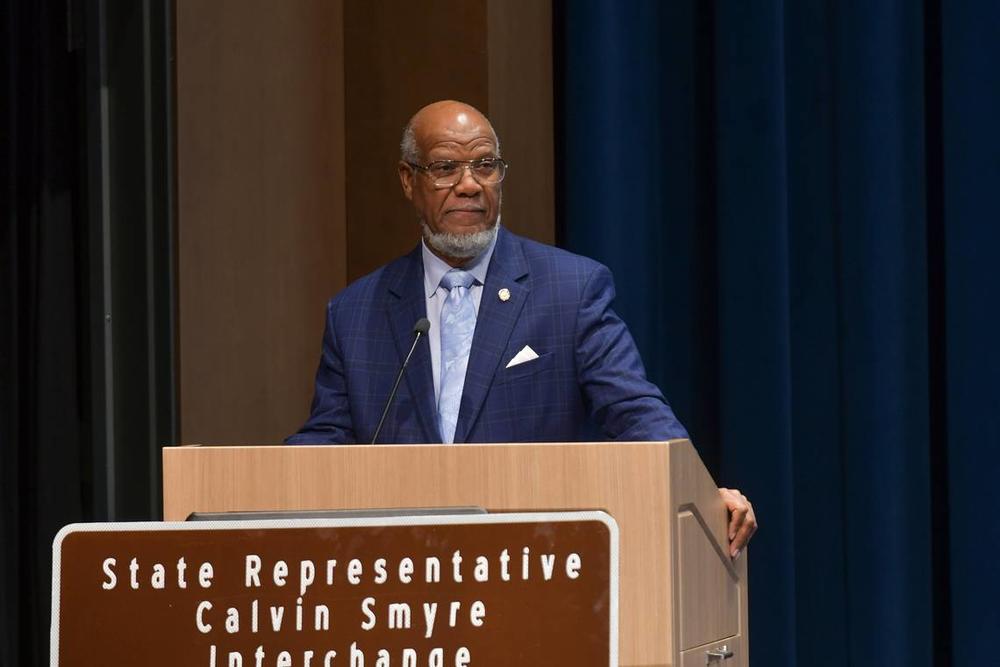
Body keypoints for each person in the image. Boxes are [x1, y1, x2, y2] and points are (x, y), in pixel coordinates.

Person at [287, 100, 756, 557]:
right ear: (409, 181)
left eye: (485, 165)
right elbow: (325, 445)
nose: (469, 185)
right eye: (446, 167)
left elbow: (633, 409)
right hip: (402, 571)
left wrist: (703, 494)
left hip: (532, 562)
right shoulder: (355, 312)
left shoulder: (571, 290)